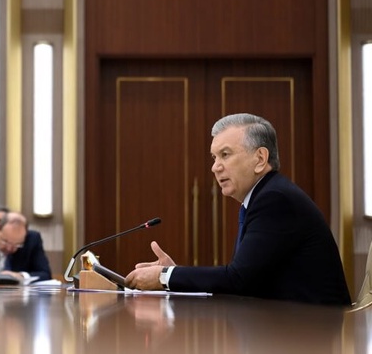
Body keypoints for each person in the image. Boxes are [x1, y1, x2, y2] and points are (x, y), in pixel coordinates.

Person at [125, 113, 352, 305]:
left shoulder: (275, 200)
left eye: (225, 155)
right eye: (214, 157)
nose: (215, 167)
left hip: (312, 330)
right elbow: (245, 279)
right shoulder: (264, 195)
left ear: (260, 159)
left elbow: (238, 279)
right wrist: (174, 273)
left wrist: (166, 276)